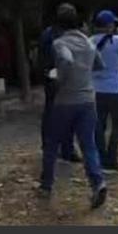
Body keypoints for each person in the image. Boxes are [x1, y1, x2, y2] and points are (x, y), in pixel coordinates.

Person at [39, 3, 108, 209]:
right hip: (88, 100)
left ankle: (46, 185)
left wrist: (61, 79)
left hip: (66, 101)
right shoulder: (88, 43)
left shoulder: (59, 43)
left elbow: (66, 61)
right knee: (88, 145)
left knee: (51, 144)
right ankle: (98, 183)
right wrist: (83, 71)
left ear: (59, 25)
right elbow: (100, 65)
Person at [90, 9, 118, 172]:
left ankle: (101, 156)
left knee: (99, 124)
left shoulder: (89, 41)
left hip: (96, 90)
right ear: (108, 25)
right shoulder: (117, 41)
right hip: (114, 89)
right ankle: (111, 157)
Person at [39, 20, 80, 162]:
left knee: (53, 113)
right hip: (58, 76)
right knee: (60, 112)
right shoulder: (58, 35)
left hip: (53, 75)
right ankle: (65, 149)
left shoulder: (49, 33)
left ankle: (54, 147)